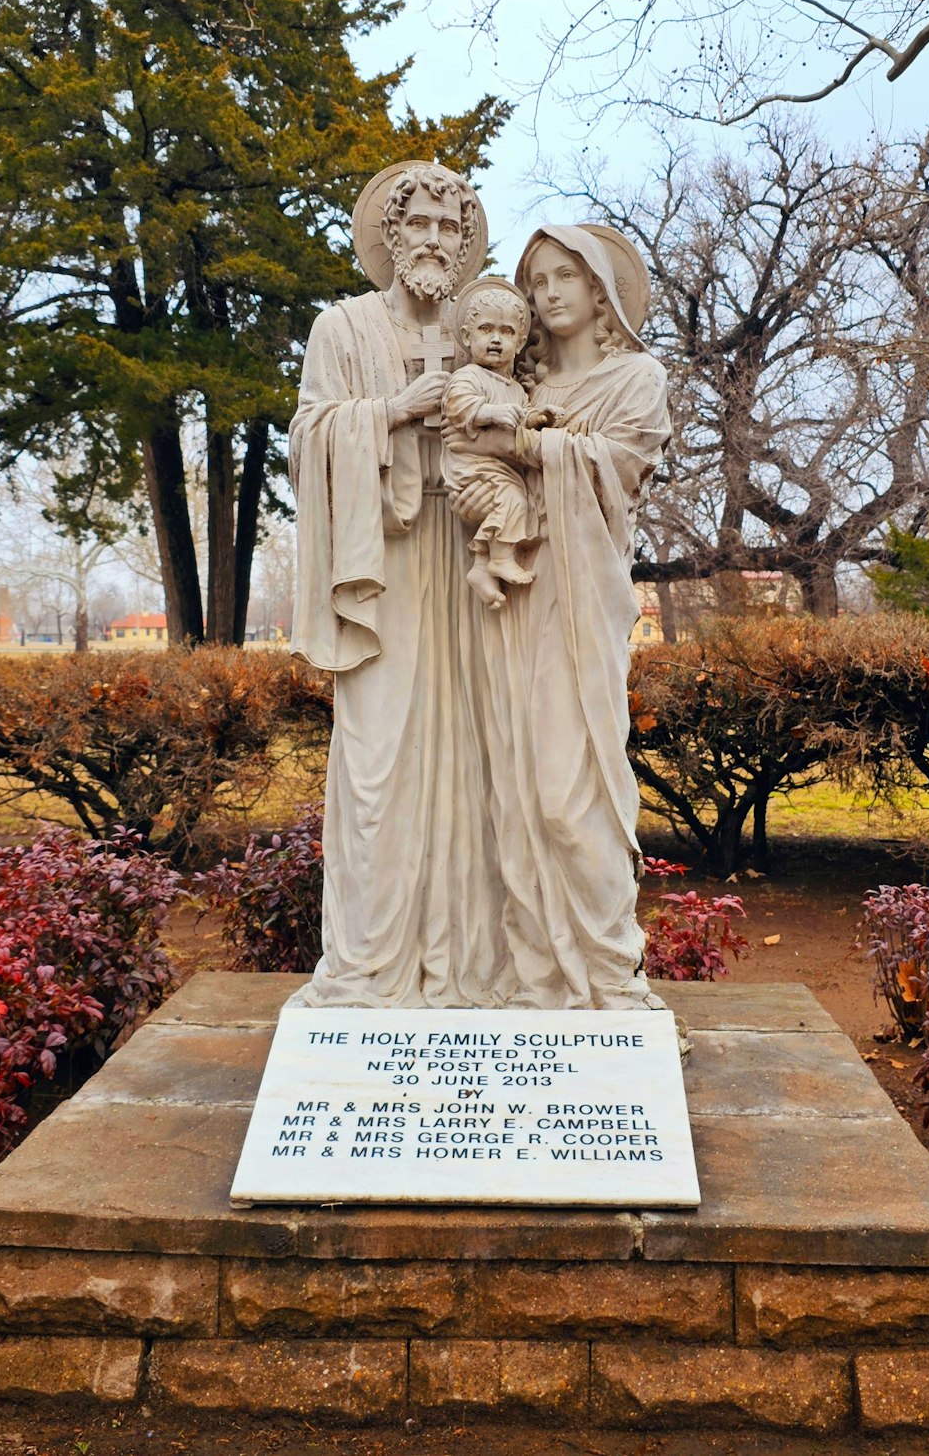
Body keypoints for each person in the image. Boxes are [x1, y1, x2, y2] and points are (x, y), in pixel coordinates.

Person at [287, 161, 508, 1008]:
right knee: (380, 759)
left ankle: (470, 961)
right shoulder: (342, 328)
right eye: (417, 225)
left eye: (450, 230)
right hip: (383, 566)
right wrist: (390, 411)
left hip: (468, 562)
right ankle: (370, 964)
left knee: (474, 756)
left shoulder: (488, 327)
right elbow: (309, 437)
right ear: (389, 236)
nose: (432, 241)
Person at [464, 223, 672, 1009]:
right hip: (510, 600)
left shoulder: (636, 378)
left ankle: (609, 972)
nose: (548, 293)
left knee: (568, 786)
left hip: (580, 597)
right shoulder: (519, 388)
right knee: (515, 790)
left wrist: (529, 448)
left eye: (563, 277)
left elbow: (618, 468)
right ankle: (541, 973)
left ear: (599, 290)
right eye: (536, 280)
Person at [441, 277, 555, 609]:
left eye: (506, 332)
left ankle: (480, 567)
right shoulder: (467, 377)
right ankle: (502, 558)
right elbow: (458, 405)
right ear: (467, 336)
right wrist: (489, 411)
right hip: (470, 468)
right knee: (513, 501)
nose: (495, 339)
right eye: (485, 329)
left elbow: (523, 414)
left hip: (496, 468)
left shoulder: (516, 389)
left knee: (514, 502)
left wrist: (537, 416)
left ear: (520, 342)